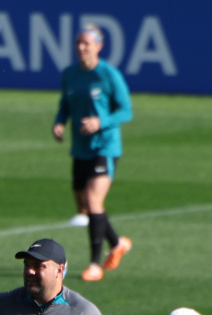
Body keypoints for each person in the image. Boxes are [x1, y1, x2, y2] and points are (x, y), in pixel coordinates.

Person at [52, 25, 133, 283]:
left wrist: (101, 122)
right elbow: (65, 103)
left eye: (86, 43)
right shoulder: (70, 74)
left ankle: (94, 264)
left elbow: (126, 110)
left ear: (99, 46)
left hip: (105, 146)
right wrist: (59, 122)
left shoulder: (108, 74)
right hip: (80, 148)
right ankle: (118, 243)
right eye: (78, 42)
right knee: (85, 206)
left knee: (93, 199)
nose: (81, 47)